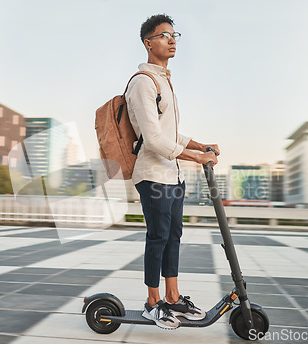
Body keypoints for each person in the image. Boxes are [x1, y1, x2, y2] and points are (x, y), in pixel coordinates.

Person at [125, 14, 220, 330]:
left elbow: (172, 133)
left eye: (174, 34)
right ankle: (153, 302)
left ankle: (173, 296)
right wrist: (197, 157)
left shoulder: (165, 80)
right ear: (148, 43)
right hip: (152, 173)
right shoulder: (143, 82)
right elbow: (153, 139)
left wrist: (200, 145)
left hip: (172, 173)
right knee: (158, 236)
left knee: (174, 236)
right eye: (164, 35)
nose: (172, 39)